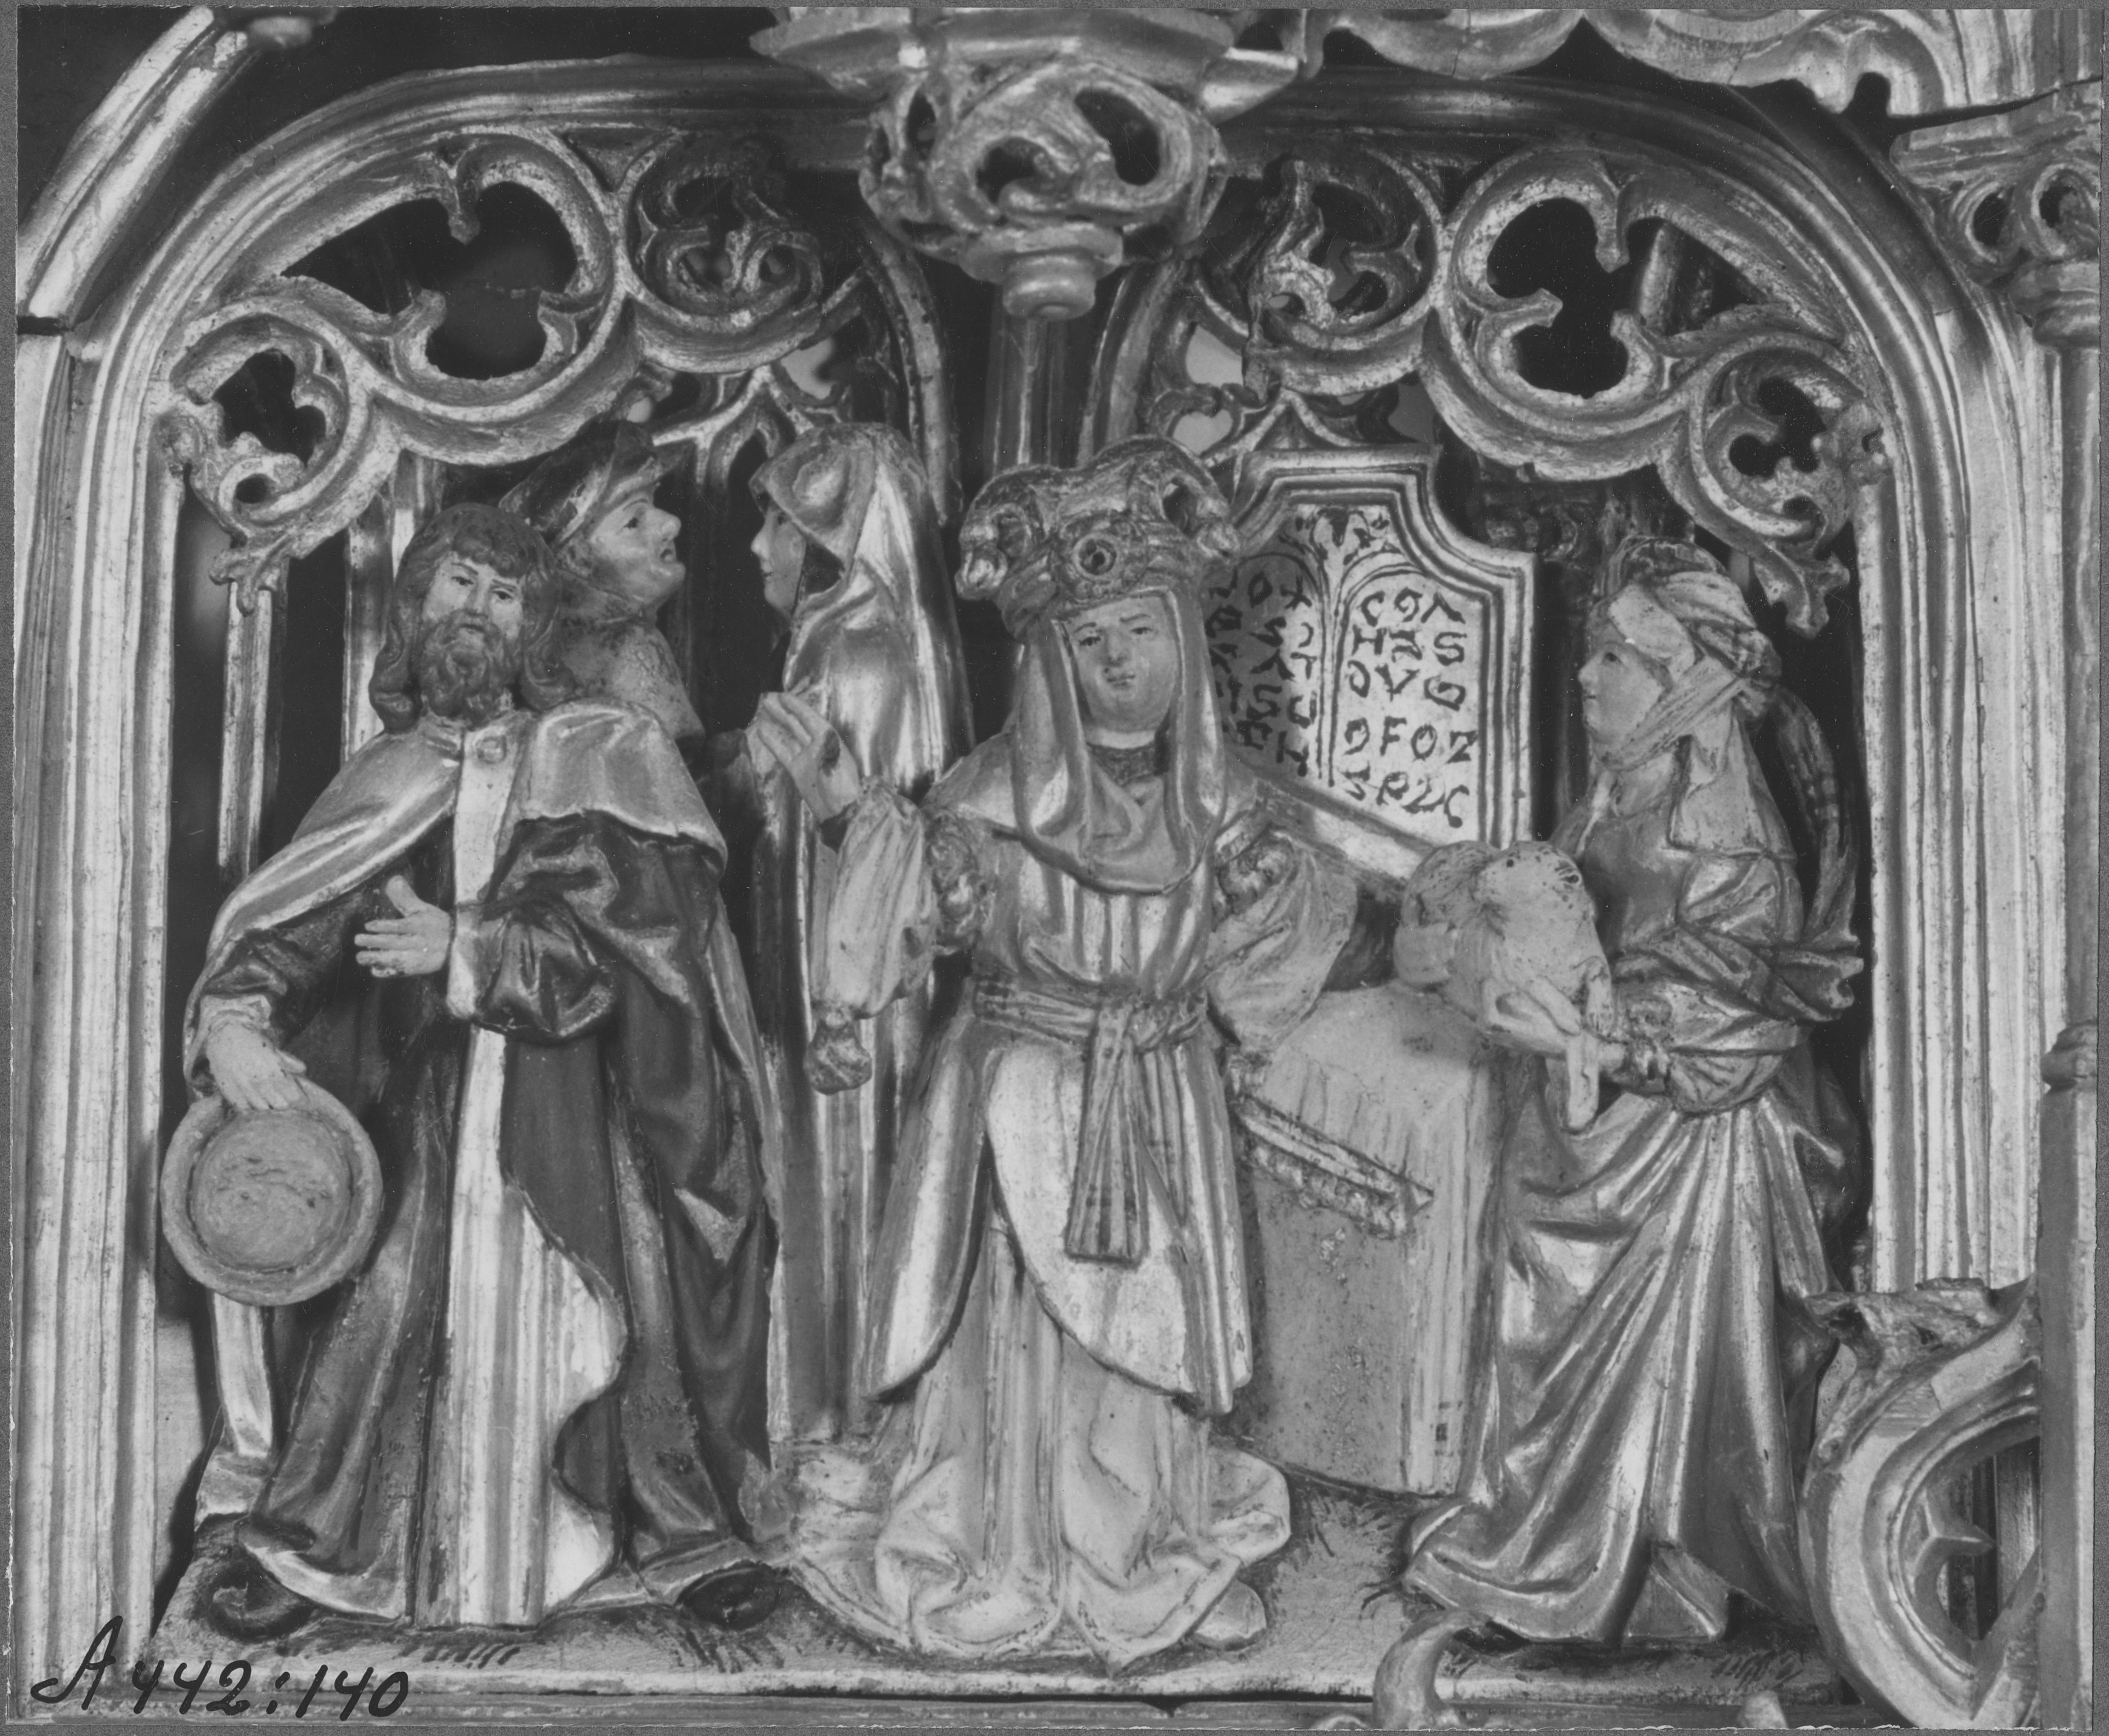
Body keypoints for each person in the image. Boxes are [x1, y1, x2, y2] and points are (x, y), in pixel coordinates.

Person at [749, 438, 1360, 1667]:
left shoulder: (1228, 810)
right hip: (1019, 1093)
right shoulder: (989, 800)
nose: (1122, 661)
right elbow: (925, 905)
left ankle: (1140, 1540)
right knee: (1023, 1338)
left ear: (1184, 640)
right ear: (1048, 663)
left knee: (1143, 1342)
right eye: (1091, 640)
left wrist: (1254, 980)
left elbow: (1282, 938)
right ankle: (1005, 1543)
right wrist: (847, 815)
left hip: (1158, 1092)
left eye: (1142, 629)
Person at [184, 503, 784, 1639]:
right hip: (429, 1106)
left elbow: (635, 947)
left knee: (629, 1311)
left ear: (535, 631)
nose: (478, 612)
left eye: (506, 597)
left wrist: (463, 947)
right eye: (460, 585)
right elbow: (299, 927)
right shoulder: (388, 774)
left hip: (578, 1108)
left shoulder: (590, 757)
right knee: (386, 1306)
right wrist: (236, 1018)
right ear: (414, 606)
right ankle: (318, 1542)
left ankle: (682, 1540)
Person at [1403, 537, 1863, 1644]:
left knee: (1661, 1357)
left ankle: (1656, 1560)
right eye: (1593, 650)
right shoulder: (1613, 800)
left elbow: (1736, 1031)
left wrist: (1602, 1049)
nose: (1584, 675)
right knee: (1535, 1303)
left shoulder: (1734, 851)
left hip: (1696, 1151)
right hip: (1587, 1124)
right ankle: (1542, 1526)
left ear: (1684, 683)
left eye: (1614, 655)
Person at [726, 422, 971, 1444]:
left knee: (848, 1168)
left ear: (833, 540)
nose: (759, 549)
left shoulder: (858, 655)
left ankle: (842, 1416)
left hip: (853, 987)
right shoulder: (847, 641)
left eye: (781, 527)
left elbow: (870, 840)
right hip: (815, 953)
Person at [501, 421, 704, 751]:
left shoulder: (539, 645)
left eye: (652, 501)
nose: (671, 523)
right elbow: (685, 765)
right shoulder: (631, 645)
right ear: (576, 559)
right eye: (633, 522)